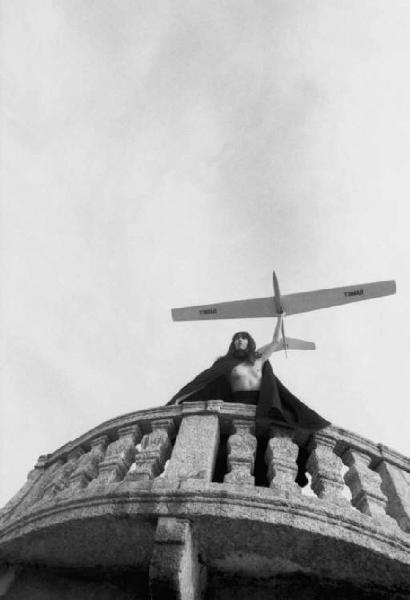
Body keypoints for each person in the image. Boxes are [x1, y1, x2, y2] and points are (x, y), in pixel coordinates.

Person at [167, 315, 330, 433]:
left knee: (292, 420)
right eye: (236, 338)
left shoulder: (260, 359)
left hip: (261, 404)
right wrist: (178, 398)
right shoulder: (226, 364)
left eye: (243, 338)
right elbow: (203, 382)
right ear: (233, 344)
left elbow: (275, 341)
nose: (239, 340)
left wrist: (281, 317)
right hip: (239, 402)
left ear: (249, 342)